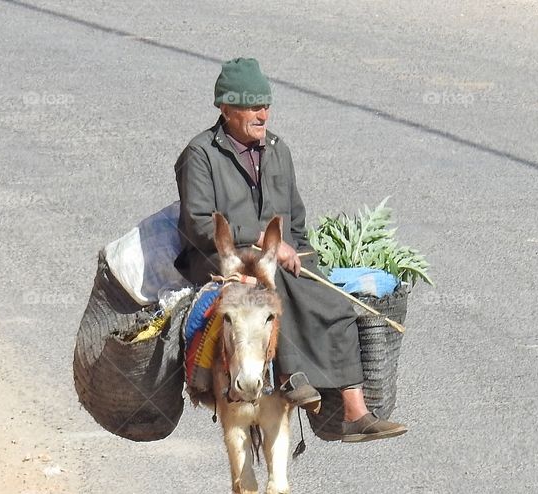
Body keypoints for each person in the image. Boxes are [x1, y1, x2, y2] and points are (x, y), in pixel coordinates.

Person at [174, 58, 406, 442]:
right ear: (225, 109)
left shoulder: (278, 150)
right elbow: (199, 223)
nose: (262, 114)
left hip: (278, 253)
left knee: (331, 300)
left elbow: (295, 217)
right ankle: (289, 377)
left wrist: (294, 249)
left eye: (265, 105)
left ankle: (355, 410)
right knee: (272, 287)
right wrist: (266, 244)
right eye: (252, 107)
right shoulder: (200, 154)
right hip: (222, 258)